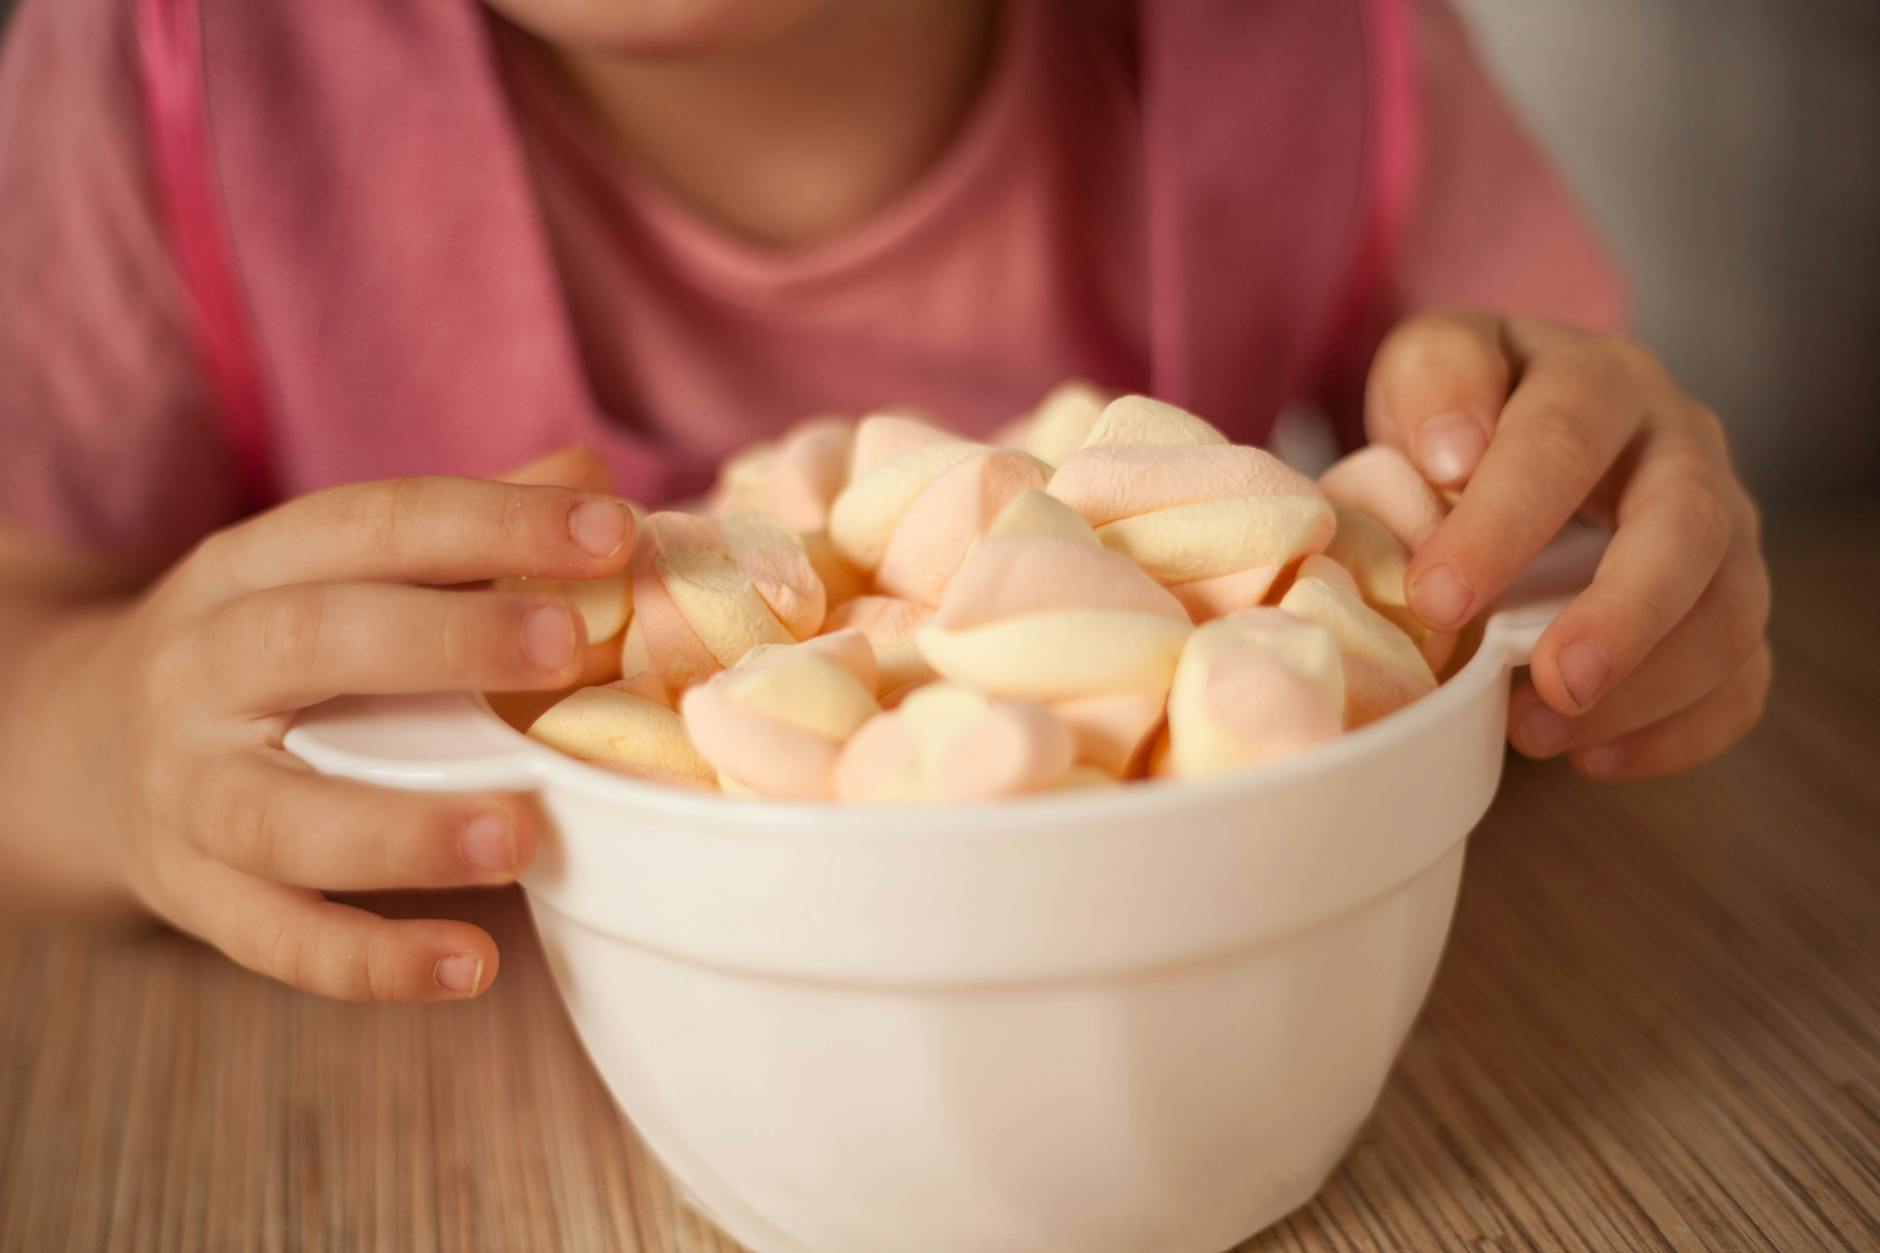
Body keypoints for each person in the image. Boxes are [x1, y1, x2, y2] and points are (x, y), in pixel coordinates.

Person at [0, 0, 1770, 1002]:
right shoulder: (155, 92)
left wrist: (1612, 537)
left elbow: (1536, 515)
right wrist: (98, 747)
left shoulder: (1314, 47)